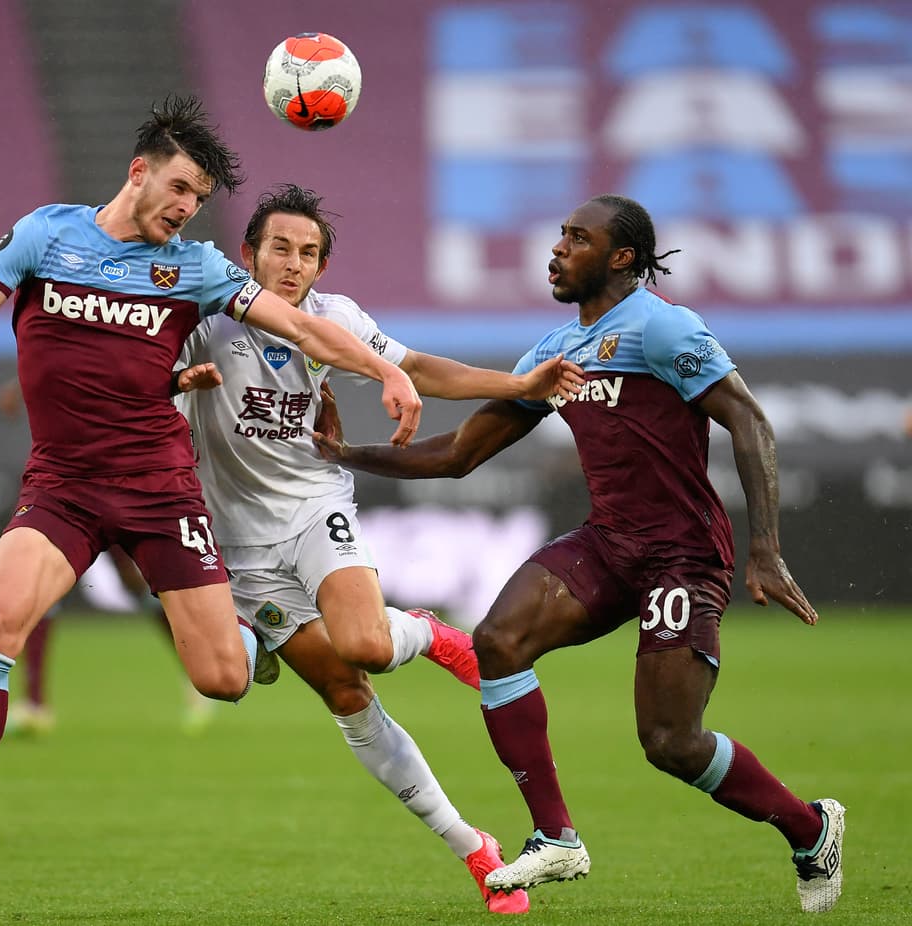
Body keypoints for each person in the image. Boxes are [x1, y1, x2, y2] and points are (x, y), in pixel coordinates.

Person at [0, 95, 423, 887]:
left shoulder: (196, 266)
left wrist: (384, 367)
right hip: (64, 488)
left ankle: (262, 637)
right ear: (138, 171)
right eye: (178, 188)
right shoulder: (46, 234)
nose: (185, 209)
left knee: (220, 678)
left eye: (199, 200)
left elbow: (302, 327)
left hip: (161, 492)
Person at [314, 194, 845, 914]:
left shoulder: (661, 326)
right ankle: (555, 837)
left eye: (577, 238)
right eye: (560, 236)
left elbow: (749, 419)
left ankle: (811, 828)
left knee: (669, 742)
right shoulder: (555, 353)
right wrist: (345, 454)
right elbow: (462, 454)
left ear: (621, 257)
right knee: (498, 642)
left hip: (680, 556)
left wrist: (766, 549)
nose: (557, 249)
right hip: (609, 543)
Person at [169, 183, 584, 913]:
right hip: (238, 545)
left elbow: (419, 366)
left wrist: (521, 384)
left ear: (321, 268)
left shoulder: (336, 319)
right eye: (279, 249)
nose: (293, 265)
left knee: (365, 644)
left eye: (308, 254)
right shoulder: (204, 320)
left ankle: (421, 630)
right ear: (248, 253)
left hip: (314, 505)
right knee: (345, 693)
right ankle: (475, 850)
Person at [0, 382, 217, 736]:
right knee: (34, 576)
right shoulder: (65, 337)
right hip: (68, 475)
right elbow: (56, 352)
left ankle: (200, 669)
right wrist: (22, 387)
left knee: (135, 580)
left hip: (125, 471)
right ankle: (35, 703)